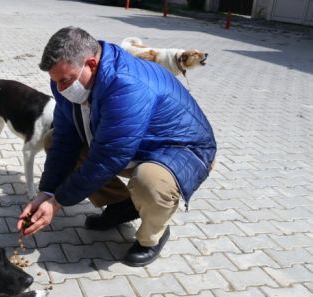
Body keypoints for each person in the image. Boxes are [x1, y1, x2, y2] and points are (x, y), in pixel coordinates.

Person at [17, 27, 217, 267]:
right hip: (133, 145)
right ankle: (122, 205)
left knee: (149, 182)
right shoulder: (68, 79)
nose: (59, 89)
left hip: (182, 150)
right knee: (52, 139)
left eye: (64, 81)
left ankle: (152, 235)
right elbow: (64, 140)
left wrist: (57, 202)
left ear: (91, 63)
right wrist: (46, 192)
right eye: (54, 81)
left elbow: (109, 156)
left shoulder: (127, 85)